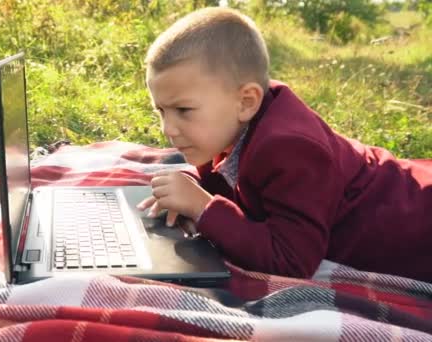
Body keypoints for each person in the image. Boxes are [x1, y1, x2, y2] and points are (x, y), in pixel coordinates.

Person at [137, 7, 432, 282]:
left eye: (184, 111)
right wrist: (186, 190)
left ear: (246, 101)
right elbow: (220, 181)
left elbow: (292, 261)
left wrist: (203, 208)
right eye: (161, 111)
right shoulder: (228, 125)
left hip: (416, 222)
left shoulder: (291, 149)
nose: (168, 129)